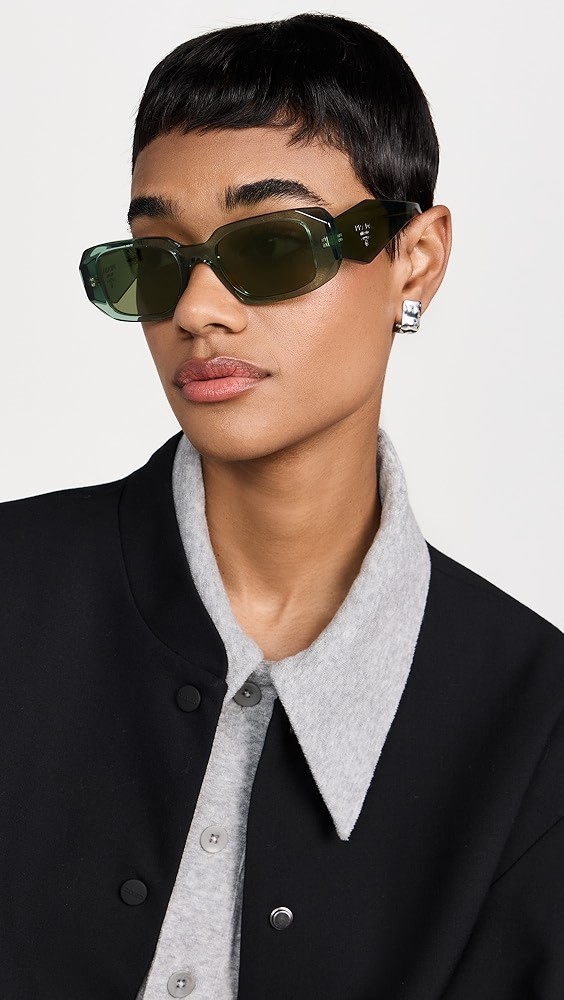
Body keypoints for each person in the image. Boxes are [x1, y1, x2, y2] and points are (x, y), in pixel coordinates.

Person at [1, 12, 562, 999]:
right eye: (156, 260)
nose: (197, 310)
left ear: (416, 257)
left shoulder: (535, 724)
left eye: (271, 248)